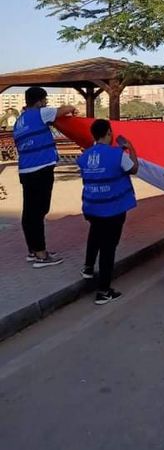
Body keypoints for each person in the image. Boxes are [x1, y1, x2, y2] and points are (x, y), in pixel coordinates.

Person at [13, 86, 77, 267]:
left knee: (30, 212)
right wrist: (72, 108)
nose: (46, 103)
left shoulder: (20, 121)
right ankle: (42, 255)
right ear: (40, 101)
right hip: (41, 169)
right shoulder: (41, 113)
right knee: (38, 212)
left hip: (25, 170)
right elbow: (66, 109)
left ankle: (33, 251)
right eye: (45, 100)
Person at [77, 120, 138, 305]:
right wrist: (131, 149)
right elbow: (134, 169)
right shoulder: (117, 154)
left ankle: (88, 268)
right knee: (108, 248)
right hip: (112, 208)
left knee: (95, 234)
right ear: (109, 132)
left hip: (92, 206)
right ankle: (103, 291)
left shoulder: (85, 156)